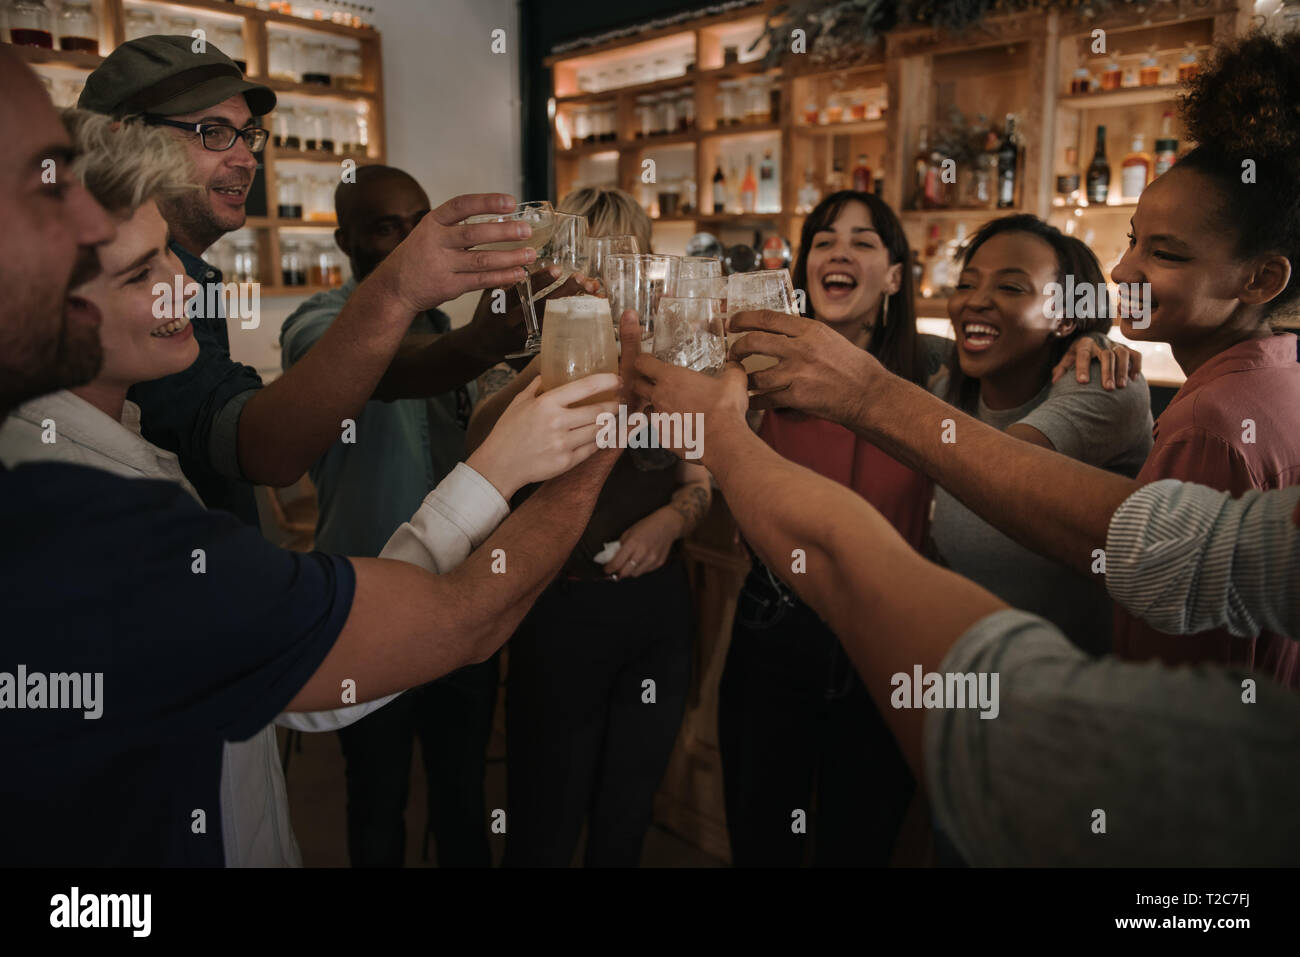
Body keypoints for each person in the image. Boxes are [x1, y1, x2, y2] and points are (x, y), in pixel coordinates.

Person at [0, 49, 634, 865]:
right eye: (137, 272)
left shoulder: (112, 456)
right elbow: (454, 618)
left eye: (248, 132)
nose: (187, 289)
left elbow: (308, 656)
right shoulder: (96, 518)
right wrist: (583, 450)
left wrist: (500, 459)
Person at [729, 29, 1300, 688]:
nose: (1123, 269)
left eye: (1165, 254)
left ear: (1262, 279)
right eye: (970, 282)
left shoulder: (1189, 417)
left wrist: (864, 395)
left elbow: (1181, 681)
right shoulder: (946, 375)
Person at [628, 355, 1300, 866]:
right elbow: (1198, 543)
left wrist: (719, 432)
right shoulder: (943, 377)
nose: (1126, 275)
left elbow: (1023, 730)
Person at [77, 36, 541, 525]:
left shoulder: (193, 281)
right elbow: (261, 448)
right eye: (212, 132)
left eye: (247, 135)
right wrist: (401, 291)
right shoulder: (101, 287)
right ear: (118, 140)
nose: (246, 160)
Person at [279, 165, 576, 867]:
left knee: (462, 790)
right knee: (378, 799)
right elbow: (396, 369)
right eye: (387, 227)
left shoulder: (449, 323)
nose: (411, 242)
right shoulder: (318, 325)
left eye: (420, 223)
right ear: (344, 238)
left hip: (458, 597)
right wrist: (482, 343)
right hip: (365, 604)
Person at [466, 187, 710, 867]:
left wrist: (669, 519)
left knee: (624, 818)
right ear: (556, 263)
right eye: (584, 258)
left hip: (656, 615)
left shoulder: (670, 356)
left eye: (619, 258)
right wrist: (554, 362)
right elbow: (477, 444)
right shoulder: (524, 348)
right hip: (558, 606)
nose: (600, 278)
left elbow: (699, 478)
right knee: (544, 820)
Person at [719, 191, 937, 866]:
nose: (839, 251)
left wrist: (1091, 341)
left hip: (889, 632)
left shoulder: (939, 370)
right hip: (777, 621)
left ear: (896, 275)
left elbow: (1036, 363)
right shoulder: (755, 365)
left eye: (864, 241)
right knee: (761, 840)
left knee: (860, 843)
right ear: (802, 267)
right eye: (823, 240)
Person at [926, 215, 1152, 654]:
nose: (976, 301)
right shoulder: (946, 392)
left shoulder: (1104, 380)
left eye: (1010, 288)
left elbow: (1001, 467)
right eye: (966, 284)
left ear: (1066, 319)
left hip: (1074, 692)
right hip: (969, 668)